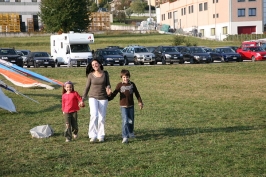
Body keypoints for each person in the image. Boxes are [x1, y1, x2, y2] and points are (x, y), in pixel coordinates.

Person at [80, 59, 111, 143]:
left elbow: (108, 84)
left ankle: (101, 136)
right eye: (92, 65)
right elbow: (87, 87)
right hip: (92, 97)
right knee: (94, 115)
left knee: (101, 117)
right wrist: (82, 99)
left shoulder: (105, 73)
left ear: (100, 64)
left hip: (103, 98)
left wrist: (108, 89)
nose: (94, 65)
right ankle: (92, 135)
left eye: (96, 63)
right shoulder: (90, 75)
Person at [109, 69, 143, 143]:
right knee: (125, 121)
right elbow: (114, 94)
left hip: (131, 106)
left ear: (129, 77)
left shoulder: (132, 84)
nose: (125, 79)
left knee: (131, 121)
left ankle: (131, 132)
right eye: (124, 77)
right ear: (121, 77)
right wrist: (109, 96)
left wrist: (140, 102)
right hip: (123, 106)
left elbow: (137, 93)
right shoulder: (119, 85)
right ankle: (125, 136)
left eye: (127, 77)